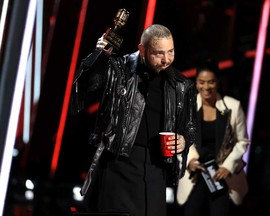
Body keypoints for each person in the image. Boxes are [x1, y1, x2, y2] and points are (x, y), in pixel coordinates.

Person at [69, 24, 197, 216]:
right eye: (159, 53)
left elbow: (190, 125)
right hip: (118, 166)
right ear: (142, 49)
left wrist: (184, 140)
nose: (166, 59)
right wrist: (99, 56)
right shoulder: (119, 70)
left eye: (170, 52)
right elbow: (86, 88)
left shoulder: (181, 85)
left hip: (156, 171)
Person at [176, 58, 250, 216]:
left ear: (218, 82)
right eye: (201, 82)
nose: (206, 87)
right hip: (195, 175)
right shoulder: (187, 107)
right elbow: (179, 139)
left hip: (221, 176)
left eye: (211, 82)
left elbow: (242, 141)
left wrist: (227, 166)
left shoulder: (233, 106)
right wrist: (189, 161)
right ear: (195, 83)